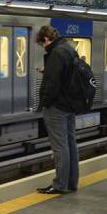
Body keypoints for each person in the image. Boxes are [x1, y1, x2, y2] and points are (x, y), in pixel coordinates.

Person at [36, 25, 79, 194]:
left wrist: (44, 102)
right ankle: (71, 182)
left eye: (42, 44)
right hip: (69, 104)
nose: (43, 47)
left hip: (57, 106)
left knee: (60, 147)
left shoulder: (56, 53)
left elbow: (53, 84)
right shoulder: (68, 49)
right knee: (70, 144)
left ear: (46, 39)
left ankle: (60, 184)